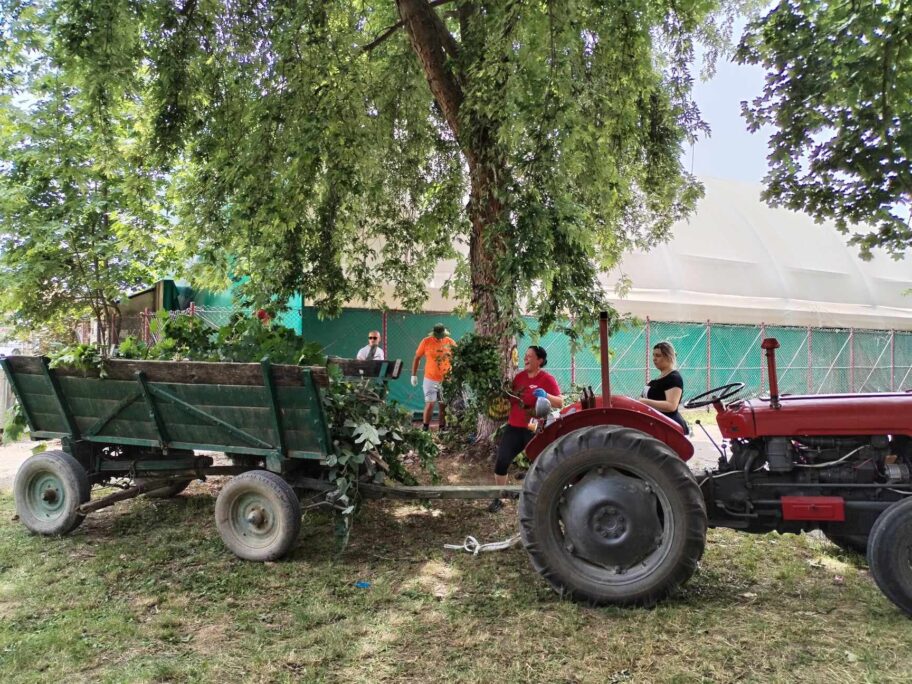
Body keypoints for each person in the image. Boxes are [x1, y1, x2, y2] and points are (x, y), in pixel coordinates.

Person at [489, 345, 563, 512]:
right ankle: (499, 498)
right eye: (525, 355)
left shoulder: (547, 379)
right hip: (514, 427)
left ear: (540, 360)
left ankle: (546, 499)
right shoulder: (519, 377)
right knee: (502, 461)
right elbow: (511, 398)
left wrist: (546, 395)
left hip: (534, 428)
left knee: (540, 464)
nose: (525, 358)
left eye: (529, 356)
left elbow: (560, 402)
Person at [411, 323, 456, 431]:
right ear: (434, 334)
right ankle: (425, 427)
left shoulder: (450, 342)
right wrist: (413, 375)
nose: (440, 337)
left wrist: (454, 375)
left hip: (446, 379)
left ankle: (442, 428)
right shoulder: (426, 341)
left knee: (443, 405)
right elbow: (417, 358)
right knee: (430, 403)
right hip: (430, 378)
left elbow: (457, 358)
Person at [640, 341, 689, 434]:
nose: (654, 359)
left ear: (669, 357)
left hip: (669, 427)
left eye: (658, 356)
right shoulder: (658, 378)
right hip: (657, 425)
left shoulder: (673, 378)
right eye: (653, 355)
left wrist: (644, 402)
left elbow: (671, 406)